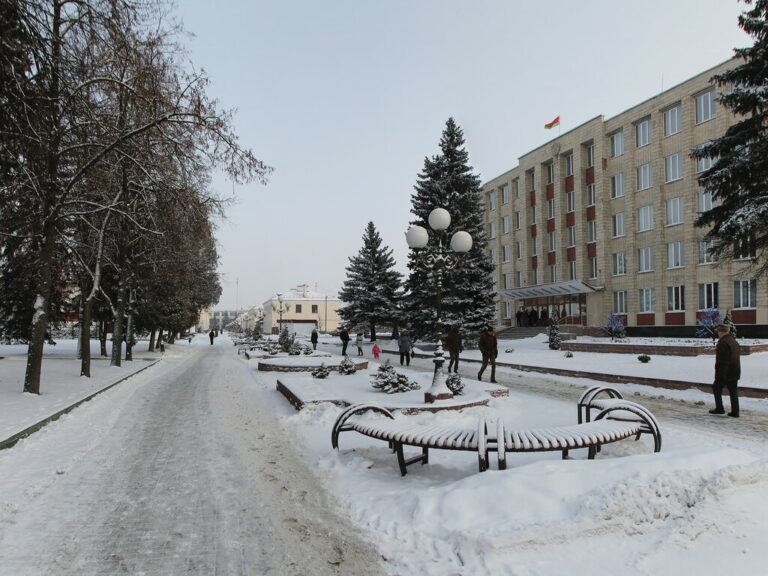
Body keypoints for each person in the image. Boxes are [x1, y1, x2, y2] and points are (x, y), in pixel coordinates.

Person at [710, 323, 741, 417]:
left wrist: (721, 375)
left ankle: (719, 408)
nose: (718, 333)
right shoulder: (733, 341)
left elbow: (723, 361)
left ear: (721, 332)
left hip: (725, 371)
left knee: (716, 388)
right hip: (735, 370)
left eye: (718, 331)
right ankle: (735, 411)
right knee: (733, 391)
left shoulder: (723, 343)